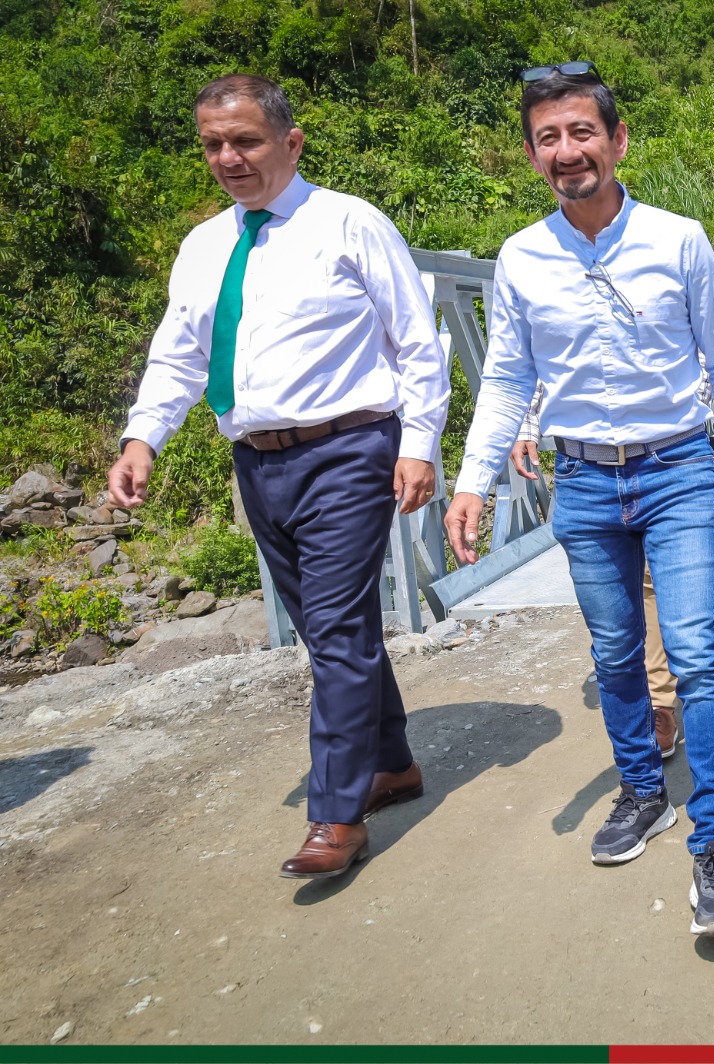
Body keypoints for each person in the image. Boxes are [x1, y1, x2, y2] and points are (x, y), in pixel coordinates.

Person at [444, 62, 714, 935]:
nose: (567, 150)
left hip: (677, 470)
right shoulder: (521, 257)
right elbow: (507, 379)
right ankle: (642, 792)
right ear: (531, 154)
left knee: (695, 654)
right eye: (548, 137)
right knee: (617, 654)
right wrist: (471, 481)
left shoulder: (678, 239)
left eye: (582, 132)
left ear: (617, 141)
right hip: (582, 481)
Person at [107, 74, 450, 878]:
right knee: (333, 630)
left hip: (348, 450)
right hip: (257, 462)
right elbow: (179, 354)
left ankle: (335, 816)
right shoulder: (203, 247)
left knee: (332, 631)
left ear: (290, 143)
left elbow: (416, 340)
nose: (229, 158)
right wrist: (143, 437)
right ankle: (392, 764)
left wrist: (420, 443)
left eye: (246, 141)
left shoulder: (349, 223)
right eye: (213, 145)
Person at [511, 402, 680, 756]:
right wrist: (526, 424)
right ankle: (638, 739)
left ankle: (660, 701)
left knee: (652, 579)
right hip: (585, 458)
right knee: (613, 606)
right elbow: (529, 367)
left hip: (664, 447)